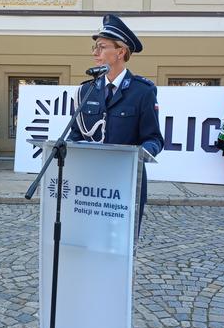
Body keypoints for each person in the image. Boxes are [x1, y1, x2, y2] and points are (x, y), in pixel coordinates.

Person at [69, 14, 164, 225]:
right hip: (90, 184)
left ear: (120, 52)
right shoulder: (87, 90)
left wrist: (141, 154)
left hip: (126, 182)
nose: (95, 52)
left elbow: (154, 138)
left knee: (122, 247)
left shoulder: (143, 92)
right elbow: (75, 135)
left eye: (101, 47)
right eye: (94, 47)